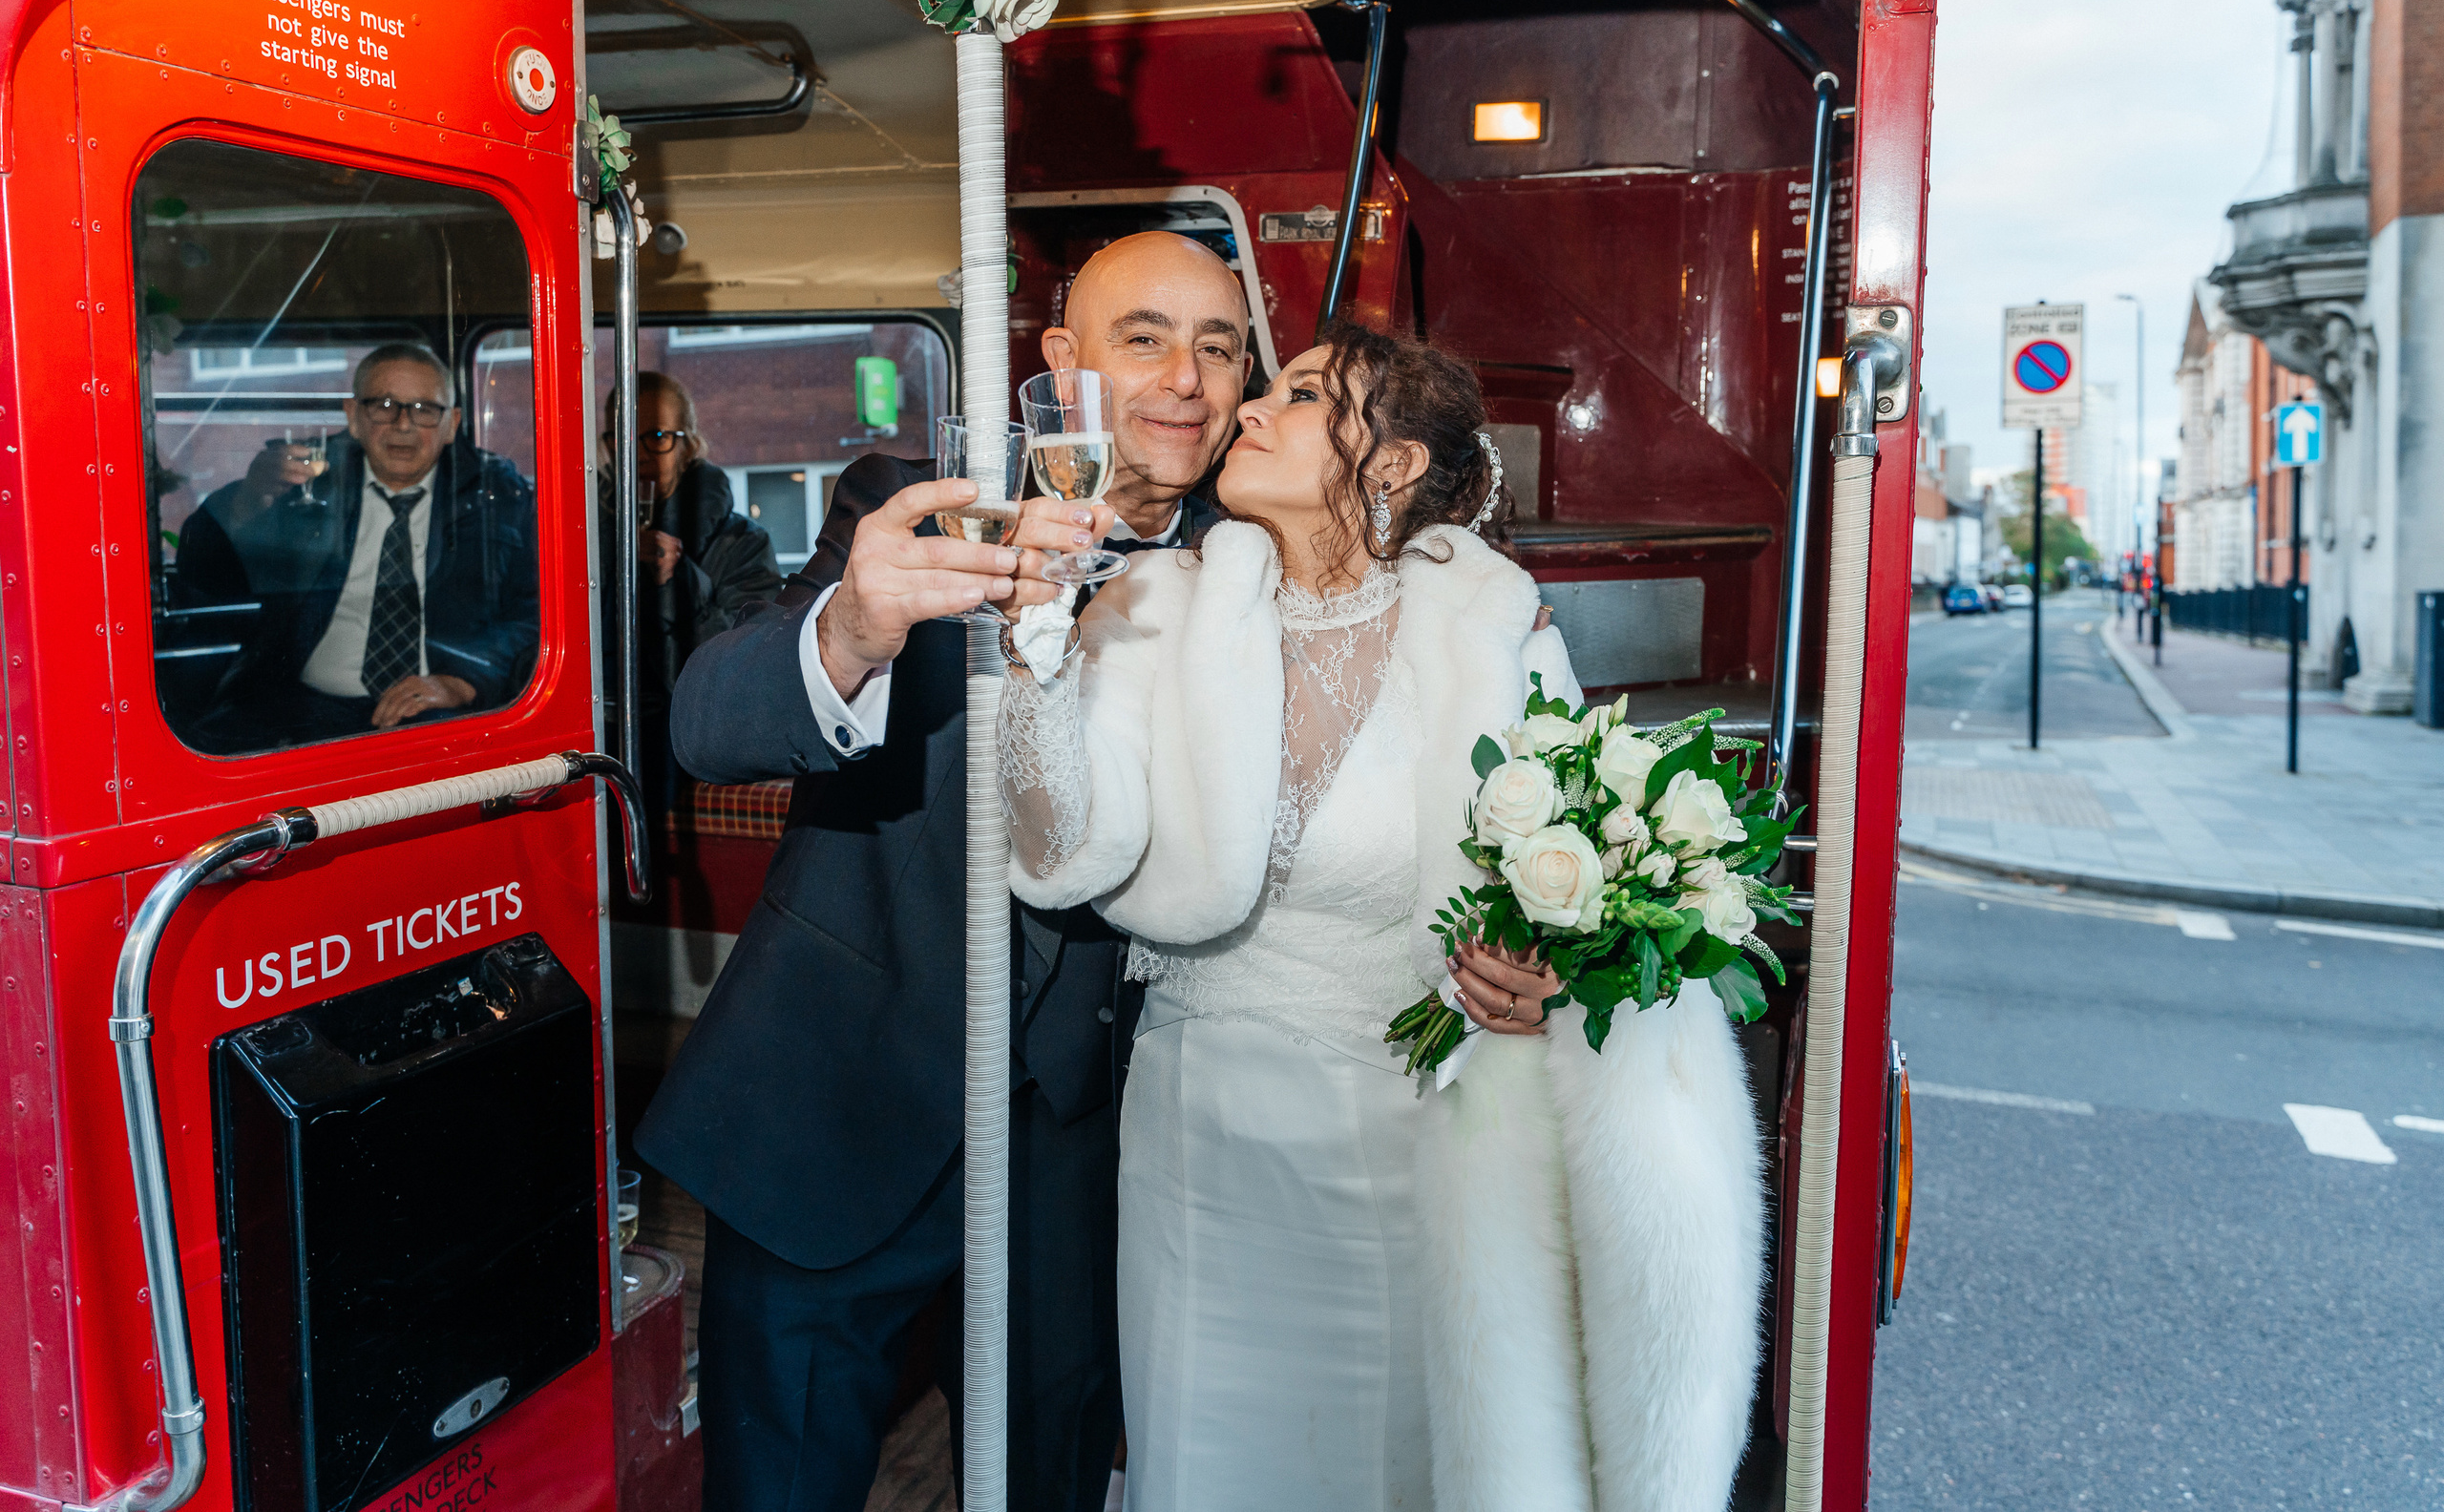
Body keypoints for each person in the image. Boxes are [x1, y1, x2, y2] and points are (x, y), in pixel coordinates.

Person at [999, 322, 1765, 1511]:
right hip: (1202, 1151)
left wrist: (1553, 975)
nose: (1249, 409)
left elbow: (1584, 867)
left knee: (1394, 1462)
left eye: (1301, 397)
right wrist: (1039, 658)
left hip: (1410, 1149)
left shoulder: (1494, 630)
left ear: (1394, 463)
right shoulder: (1159, 599)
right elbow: (1063, 847)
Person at [637, 231, 1254, 1512]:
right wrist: (855, 627)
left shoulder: (1261, 567)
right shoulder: (909, 507)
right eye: (1145, 337)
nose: (1185, 380)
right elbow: (708, 726)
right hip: (836, 1094)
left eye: (1220, 345)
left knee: (1051, 1469)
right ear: (1062, 360)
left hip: (1084, 1136)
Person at [171, 343, 539, 752]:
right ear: (354, 417)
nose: (403, 424)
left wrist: (465, 680)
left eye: (424, 410)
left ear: (451, 424)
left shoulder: (499, 498)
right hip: (297, 708)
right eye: (384, 405)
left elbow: (533, 613)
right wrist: (246, 501)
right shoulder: (301, 485)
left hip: (438, 713)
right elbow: (203, 576)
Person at [600, 371, 783, 821]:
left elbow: (746, 668)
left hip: (686, 735)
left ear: (689, 445)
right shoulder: (582, 532)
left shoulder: (743, 543)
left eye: (657, 437)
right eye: (623, 438)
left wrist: (678, 586)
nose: (639, 454)